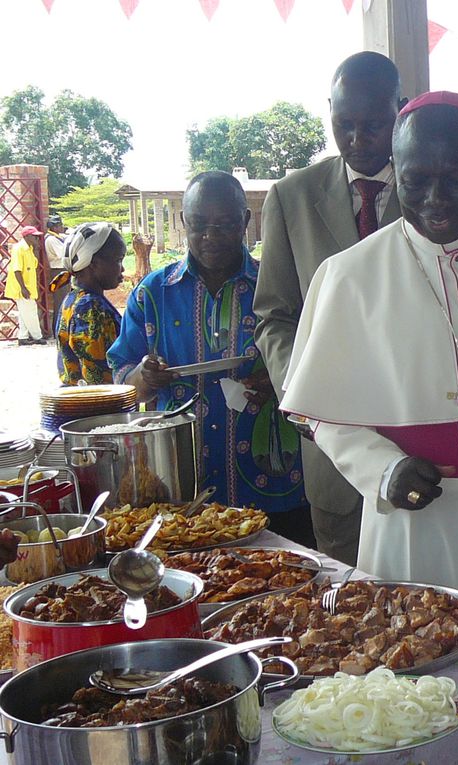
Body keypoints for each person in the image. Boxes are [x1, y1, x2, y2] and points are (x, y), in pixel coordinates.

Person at [280, 92, 458, 646]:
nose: (436, 200)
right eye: (415, 181)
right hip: (413, 521)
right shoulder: (349, 276)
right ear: (395, 172)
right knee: (418, 681)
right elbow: (323, 412)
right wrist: (382, 469)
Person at [254, 52, 403, 566]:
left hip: (421, 440)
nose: (358, 138)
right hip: (330, 450)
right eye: (344, 125)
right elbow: (274, 314)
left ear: (400, 112)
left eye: (373, 125)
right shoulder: (291, 197)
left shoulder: (436, 191)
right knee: (348, 607)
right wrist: (299, 390)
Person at [108, 172, 305, 536]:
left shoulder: (278, 286)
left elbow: (312, 366)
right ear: (184, 221)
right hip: (181, 490)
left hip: (274, 484)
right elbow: (124, 385)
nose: (210, 237)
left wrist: (278, 383)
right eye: (199, 225)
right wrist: (145, 377)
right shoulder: (153, 294)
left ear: (246, 221)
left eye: (225, 224)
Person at [52, 222, 125, 385]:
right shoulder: (91, 308)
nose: (123, 269)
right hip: (97, 404)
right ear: (93, 263)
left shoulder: (73, 299)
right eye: (118, 260)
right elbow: (99, 377)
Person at [4, 226, 46, 346]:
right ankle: (37, 336)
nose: (37, 239)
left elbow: (34, 265)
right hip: (21, 287)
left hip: (28, 285)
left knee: (24, 312)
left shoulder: (30, 248)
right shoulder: (19, 248)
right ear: (27, 236)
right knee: (30, 311)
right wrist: (23, 288)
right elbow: (17, 270)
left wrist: (36, 250)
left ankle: (23, 336)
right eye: (34, 236)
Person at [44, 214, 69, 336]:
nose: (62, 227)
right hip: (58, 270)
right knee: (60, 301)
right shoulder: (51, 239)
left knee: (64, 299)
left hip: (62, 270)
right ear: (53, 227)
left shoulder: (57, 237)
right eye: (59, 225)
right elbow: (63, 254)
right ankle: (57, 330)